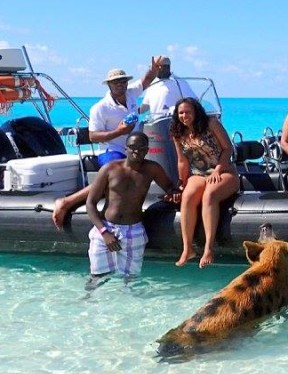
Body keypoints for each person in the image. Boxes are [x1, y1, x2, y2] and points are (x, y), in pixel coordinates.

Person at [83, 132, 179, 287]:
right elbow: (90, 203)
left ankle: (128, 308)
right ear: (125, 148)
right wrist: (104, 233)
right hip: (105, 228)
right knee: (97, 277)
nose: (136, 151)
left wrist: (174, 195)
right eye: (132, 147)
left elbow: (169, 187)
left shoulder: (152, 169)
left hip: (133, 230)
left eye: (141, 148)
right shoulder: (109, 169)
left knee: (131, 280)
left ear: (147, 150)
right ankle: (90, 306)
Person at [170, 97, 239, 268]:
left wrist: (218, 170)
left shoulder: (211, 123)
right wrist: (181, 183)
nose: (184, 116)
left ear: (196, 112)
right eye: (181, 113)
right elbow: (182, 161)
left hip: (223, 170)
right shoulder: (178, 133)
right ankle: (187, 249)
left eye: (188, 112)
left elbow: (227, 148)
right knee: (188, 196)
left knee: (210, 195)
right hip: (198, 173)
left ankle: (208, 248)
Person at [89, 58, 162, 165]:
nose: (120, 84)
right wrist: (119, 131)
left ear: (127, 83)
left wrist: (154, 68)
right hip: (112, 151)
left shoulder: (131, 93)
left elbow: (148, 79)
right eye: (115, 82)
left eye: (123, 81)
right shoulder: (100, 108)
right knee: (118, 171)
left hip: (135, 150)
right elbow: (93, 137)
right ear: (109, 85)